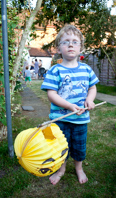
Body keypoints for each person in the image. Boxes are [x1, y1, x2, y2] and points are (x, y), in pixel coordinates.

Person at [41, 25, 99, 185]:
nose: (71, 45)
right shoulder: (55, 70)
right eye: (66, 42)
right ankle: (61, 169)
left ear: (81, 48)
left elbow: (92, 87)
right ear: (59, 48)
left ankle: (79, 168)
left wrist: (90, 99)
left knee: (79, 147)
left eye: (75, 42)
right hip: (60, 119)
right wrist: (68, 106)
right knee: (61, 147)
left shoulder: (87, 70)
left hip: (80, 120)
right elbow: (51, 94)